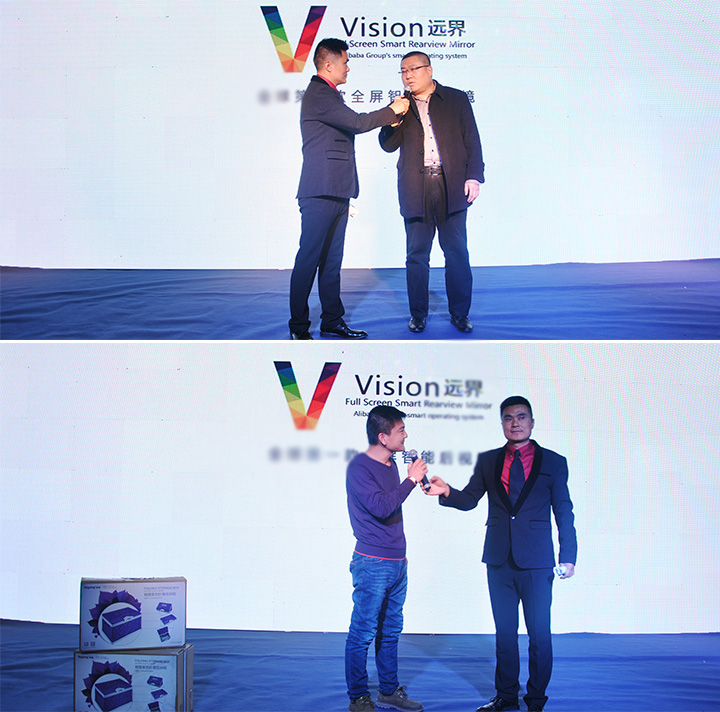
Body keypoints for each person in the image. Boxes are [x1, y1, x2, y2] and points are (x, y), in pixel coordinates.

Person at [425, 396, 577, 712]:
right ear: (502, 423)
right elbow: (470, 499)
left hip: (537, 562)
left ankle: (535, 701)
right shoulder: (489, 460)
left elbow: (563, 511)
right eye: (508, 418)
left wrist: (568, 555)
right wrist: (447, 491)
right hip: (498, 560)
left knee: (540, 635)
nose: (515, 423)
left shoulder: (554, 462)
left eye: (521, 417)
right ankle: (506, 697)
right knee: (505, 635)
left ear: (532, 422)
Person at [289, 39, 410, 340]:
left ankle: (332, 321)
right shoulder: (320, 93)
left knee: (331, 263)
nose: (348, 68)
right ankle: (298, 328)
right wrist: (392, 110)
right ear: (329, 64)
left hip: (336, 190)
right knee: (309, 261)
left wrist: (391, 117)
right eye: (345, 62)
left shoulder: (329, 94)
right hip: (320, 192)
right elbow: (357, 123)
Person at [379, 52, 484, 334]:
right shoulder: (400, 105)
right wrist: (393, 118)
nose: (408, 75)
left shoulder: (456, 99)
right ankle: (418, 314)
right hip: (416, 186)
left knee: (456, 252)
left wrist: (474, 176)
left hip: (451, 185)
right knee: (416, 255)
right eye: (403, 71)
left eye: (413, 69)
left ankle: (460, 314)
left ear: (429, 69)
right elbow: (387, 146)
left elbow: (472, 139)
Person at [345, 405, 427, 712]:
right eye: (400, 430)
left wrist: (416, 481)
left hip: (397, 562)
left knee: (391, 630)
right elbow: (381, 507)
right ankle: (358, 697)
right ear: (383, 437)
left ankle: (389, 691)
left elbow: (392, 504)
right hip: (372, 562)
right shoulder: (359, 467)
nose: (406, 435)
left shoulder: (391, 464)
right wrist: (411, 481)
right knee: (363, 632)